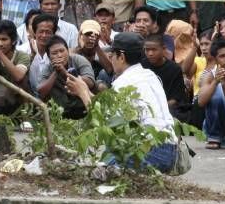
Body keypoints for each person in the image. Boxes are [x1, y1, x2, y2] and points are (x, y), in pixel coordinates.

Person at [67, 32, 178, 172]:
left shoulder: (124, 83)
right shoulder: (150, 75)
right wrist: (82, 89)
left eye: (112, 55)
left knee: (95, 169)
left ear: (122, 57)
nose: (110, 58)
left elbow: (105, 127)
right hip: (170, 150)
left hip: (151, 153)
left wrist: (83, 94)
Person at [37, 35, 95, 119]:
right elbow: (41, 92)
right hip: (62, 111)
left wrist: (63, 71)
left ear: (68, 51)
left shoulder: (78, 60)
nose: (59, 55)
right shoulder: (48, 68)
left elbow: (90, 82)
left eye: (62, 51)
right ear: (49, 57)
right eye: (54, 53)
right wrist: (56, 72)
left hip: (83, 106)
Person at [142, 33, 190, 121]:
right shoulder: (142, 66)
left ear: (163, 49)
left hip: (167, 109)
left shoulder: (174, 69)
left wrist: (158, 109)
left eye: (154, 50)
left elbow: (176, 99)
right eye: (147, 50)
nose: (150, 53)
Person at [28, 13, 58, 92]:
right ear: (35, 32)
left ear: (54, 33)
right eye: (41, 31)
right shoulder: (24, 49)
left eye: (48, 32)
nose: (44, 35)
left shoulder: (58, 52)